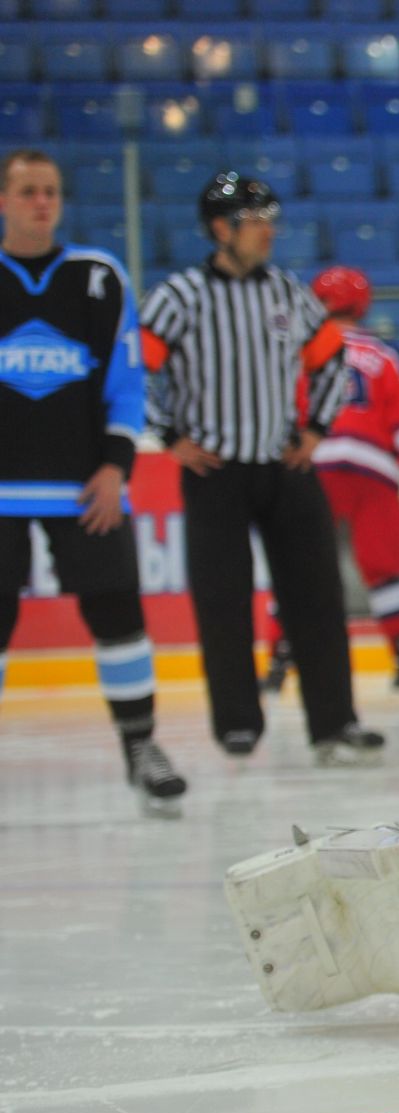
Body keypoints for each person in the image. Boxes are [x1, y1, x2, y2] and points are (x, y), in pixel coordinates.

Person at [138, 172, 383, 764]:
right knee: (222, 601)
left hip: (284, 466)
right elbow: (135, 367)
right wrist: (170, 435)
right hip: (214, 471)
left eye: (271, 220)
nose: (269, 232)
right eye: (256, 222)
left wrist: (316, 430)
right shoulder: (181, 296)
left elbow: (330, 362)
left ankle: (334, 722)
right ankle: (237, 724)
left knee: (318, 596)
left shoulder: (287, 292)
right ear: (221, 230)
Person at [0, 147, 189, 815]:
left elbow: (127, 383)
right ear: (4, 199)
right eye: (26, 191)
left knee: (118, 615)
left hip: (85, 485)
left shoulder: (98, 278)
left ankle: (141, 749)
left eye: (49, 190)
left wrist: (117, 466)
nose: (40, 202)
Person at [261, 265, 399, 694]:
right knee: (384, 570)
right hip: (373, 471)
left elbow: (277, 415)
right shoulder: (386, 358)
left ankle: (278, 661)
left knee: (297, 566)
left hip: (312, 465)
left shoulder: (298, 352)